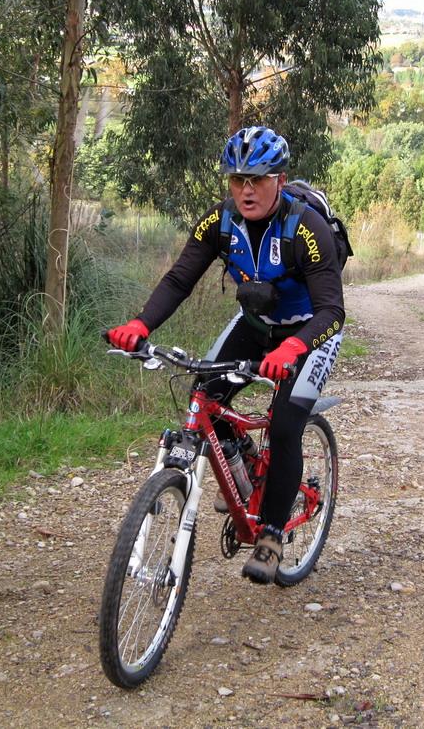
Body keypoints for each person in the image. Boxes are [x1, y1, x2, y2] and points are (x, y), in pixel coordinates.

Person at [106, 126, 344, 584]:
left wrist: (294, 346)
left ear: (280, 179)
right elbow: (179, 280)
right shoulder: (220, 222)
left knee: (285, 423)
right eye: (237, 180)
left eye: (257, 179)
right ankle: (244, 463)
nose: (246, 190)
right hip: (255, 325)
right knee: (205, 398)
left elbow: (332, 310)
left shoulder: (305, 228)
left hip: (310, 332)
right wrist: (140, 325)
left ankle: (272, 535)